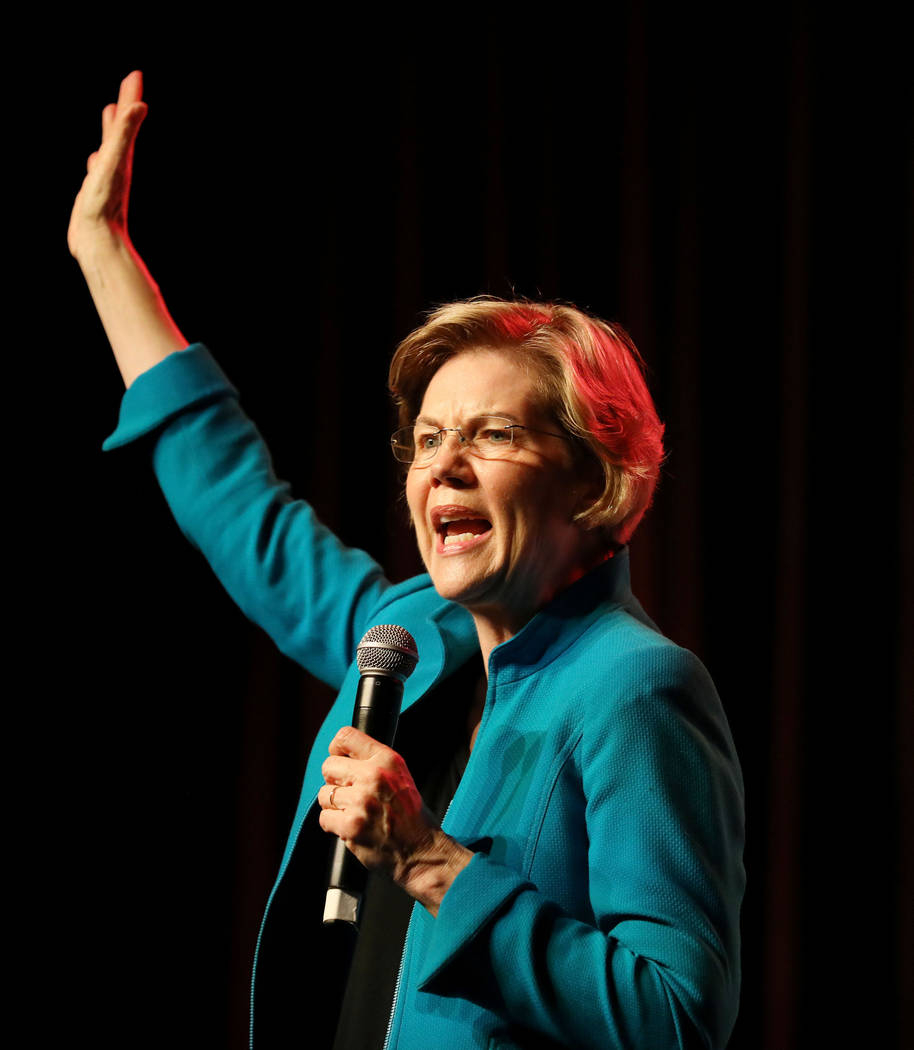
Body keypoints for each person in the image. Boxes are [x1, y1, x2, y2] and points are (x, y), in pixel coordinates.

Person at [70, 72, 745, 1049]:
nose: (443, 468)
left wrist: (432, 861)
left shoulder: (637, 688)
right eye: (427, 441)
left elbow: (675, 1018)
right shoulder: (406, 633)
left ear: (594, 480)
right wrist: (102, 254)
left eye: (491, 435)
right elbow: (240, 511)